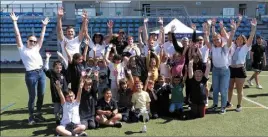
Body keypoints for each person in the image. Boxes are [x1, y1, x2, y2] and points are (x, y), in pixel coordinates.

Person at [10, 12, 49, 124]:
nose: (33, 42)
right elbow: (17, 35)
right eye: (31, 40)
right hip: (31, 75)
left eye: (34, 41)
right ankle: (31, 116)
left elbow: (41, 37)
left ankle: (38, 114)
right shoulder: (22, 49)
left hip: (41, 73)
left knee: (41, 95)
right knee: (33, 96)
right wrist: (14, 22)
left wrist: (44, 26)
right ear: (27, 41)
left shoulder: (36, 48)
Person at [203, 20, 233, 114]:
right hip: (215, 71)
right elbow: (207, 41)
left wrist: (227, 29)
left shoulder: (225, 48)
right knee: (215, 90)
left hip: (225, 71)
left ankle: (223, 107)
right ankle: (215, 105)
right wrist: (205, 32)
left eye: (218, 39)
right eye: (214, 40)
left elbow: (229, 41)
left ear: (221, 40)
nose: (216, 41)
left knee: (223, 91)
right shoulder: (212, 47)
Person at [227, 18, 257, 112]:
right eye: (237, 39)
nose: (239, 40)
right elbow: (230, 37)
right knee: (230, 88)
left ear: (244, 40)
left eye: (241, 39)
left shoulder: (245, 47)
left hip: (240, 69)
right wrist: (233, 28)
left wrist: (253, 27)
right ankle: (228, 102)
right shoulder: (232, 45)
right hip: (231, 69)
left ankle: (239, 105)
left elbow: (251, 37)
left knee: (239, 90)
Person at [44, 52, 68, 125]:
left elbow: (66, 65)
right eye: (57, 68)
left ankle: (64, 118)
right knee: (56, 108)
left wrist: (62, 57)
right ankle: (57, 119)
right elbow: (46, 68)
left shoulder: (63, 73)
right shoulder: (51, 73)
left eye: (60, 68)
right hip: (55, 95)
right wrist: (47, 58)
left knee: (64, 108)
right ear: (53, 68)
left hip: (64, 94)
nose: (59, 69)